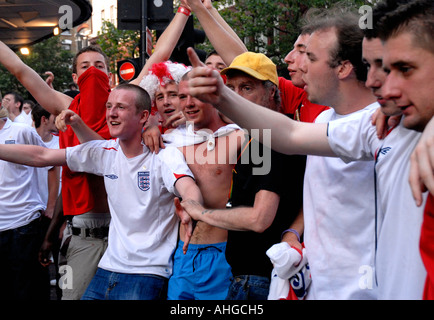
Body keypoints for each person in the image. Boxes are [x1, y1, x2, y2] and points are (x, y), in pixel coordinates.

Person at [186, 0, 433, 300]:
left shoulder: (395, 120)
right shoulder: (368, 124)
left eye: (308, 55)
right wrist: (222, 96)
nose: (379, 82)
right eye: (379, 67)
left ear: (342, 67)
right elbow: (290, 134)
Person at [0, 3, 196, 299]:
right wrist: (54, 231)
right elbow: (21, 71)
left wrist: (184, 10)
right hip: (85, 235)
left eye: (100, 67)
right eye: (84, 67)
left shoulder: (130, 101)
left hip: (135, 249)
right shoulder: (66, 107)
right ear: (75, 78)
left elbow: (159, 55)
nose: (93, 72)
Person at [179, 52, 305, 300]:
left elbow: (259, 218)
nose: (237, 96)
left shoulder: (267, 138)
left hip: (257, 281)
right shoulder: (263, 135)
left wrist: (199, 212)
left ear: (272, 93)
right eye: (232, 88)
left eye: (247, 88)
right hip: (255, 278)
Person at [159, 72, 242, 300]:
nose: (189, 104)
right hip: (183, 255)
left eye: (196, 96)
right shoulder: (170, 140)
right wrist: (148, 129)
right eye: (182, 97)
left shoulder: (238, 138)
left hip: (223, 254)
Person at [0, 102, 50, 300]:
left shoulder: (21, 132)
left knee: (27, 290)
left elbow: (50, 162)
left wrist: (51, 206)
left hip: (23, 223)